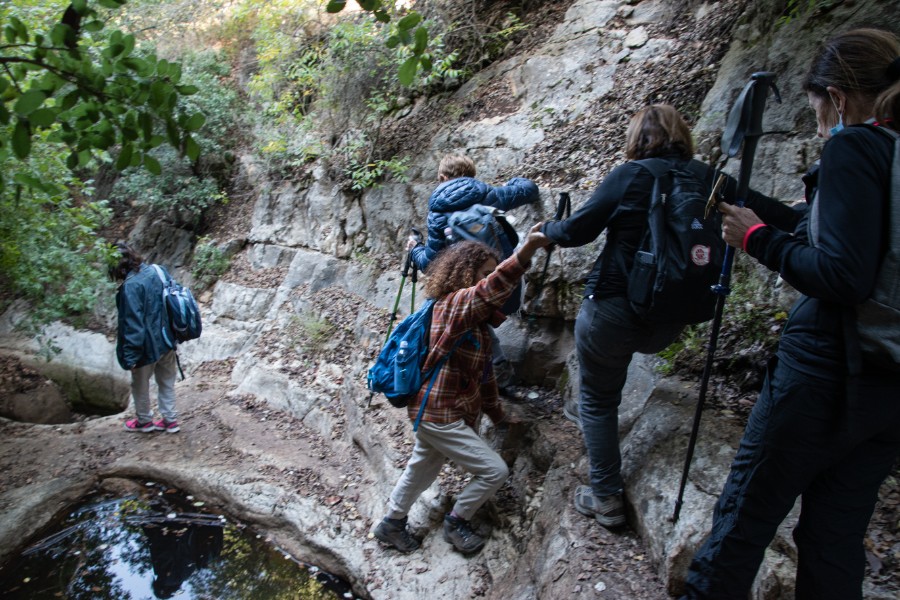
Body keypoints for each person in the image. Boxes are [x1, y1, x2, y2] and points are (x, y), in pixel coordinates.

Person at [683, 28, 900, 599]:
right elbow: (847, 243)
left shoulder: (854, 145)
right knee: (834, 537)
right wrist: (761, 214)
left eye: (817, 112)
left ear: (837, 95)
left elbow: (842, 275)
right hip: (887, 386)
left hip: (823, 374)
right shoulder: (894, 152)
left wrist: (754, 239)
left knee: (744, 515)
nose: (820, 124)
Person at [540, 105, 721, 528]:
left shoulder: (630, 176)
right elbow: (767, 212)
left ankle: (605, 497)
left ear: (636, 138)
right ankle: (590, 423)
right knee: (602, 389)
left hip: (613, 311)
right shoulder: (707, 177)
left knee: (599, 400)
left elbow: (576, 231)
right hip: (670, 321)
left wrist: (547, 229)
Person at [374, 227, 552, 555]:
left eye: (490, 272)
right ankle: (457, 521)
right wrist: (526, 250)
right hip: (440, 414)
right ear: (466, 274)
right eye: (484, 273)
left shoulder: (476, 325)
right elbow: (489, 290)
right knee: (494, 470)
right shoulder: (454, 306)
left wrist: (497, 415)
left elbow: (484, 377)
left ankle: (391, 523)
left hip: (437, 413)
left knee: (422, 467)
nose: (491, 279)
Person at [407, 154, 540, 387]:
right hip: (503, 280)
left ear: (441, 177)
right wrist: (510, 183)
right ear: (472, 175)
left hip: (469, 289)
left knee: (460, 309)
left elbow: (430, 263)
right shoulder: (489, 195)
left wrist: (414, 249)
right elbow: (529, 188)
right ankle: (497, 370)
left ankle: (491, 367)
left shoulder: (438, 212)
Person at [109, 243, 180, 433]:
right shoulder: (156, 271)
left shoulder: (130, 287)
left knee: (140, 385)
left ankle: (144, 421)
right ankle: (170, 420)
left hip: (147, 347)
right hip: (167, 339)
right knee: (166, 382)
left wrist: (130, 356)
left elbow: (133, 324)